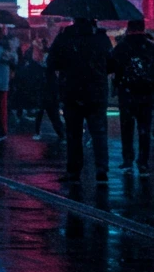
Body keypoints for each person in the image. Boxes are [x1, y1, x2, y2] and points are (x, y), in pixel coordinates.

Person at [48, 17, 114, 182]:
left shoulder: (65, 38)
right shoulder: (101, 39)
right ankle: (101, 169)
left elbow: (52, 62)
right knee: (99, 132)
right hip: (96, 92)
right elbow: (112, 64)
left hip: (72, 91)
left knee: (74, 134)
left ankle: (74, 170)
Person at [110, 19, 154, 176]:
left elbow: (111, 66)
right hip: (146, 93)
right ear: (143, 28)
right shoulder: (153, 47)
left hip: (126, 93)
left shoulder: (121, 47)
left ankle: (128, 160)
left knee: (127, 128)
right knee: (144, 129)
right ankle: (143, 162)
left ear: (129, 29)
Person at [0, 30, 17, 141]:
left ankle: (1, 131)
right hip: (4, 80)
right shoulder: (10, 51)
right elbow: (14, 60)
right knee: (1, 107)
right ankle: (2, 130)